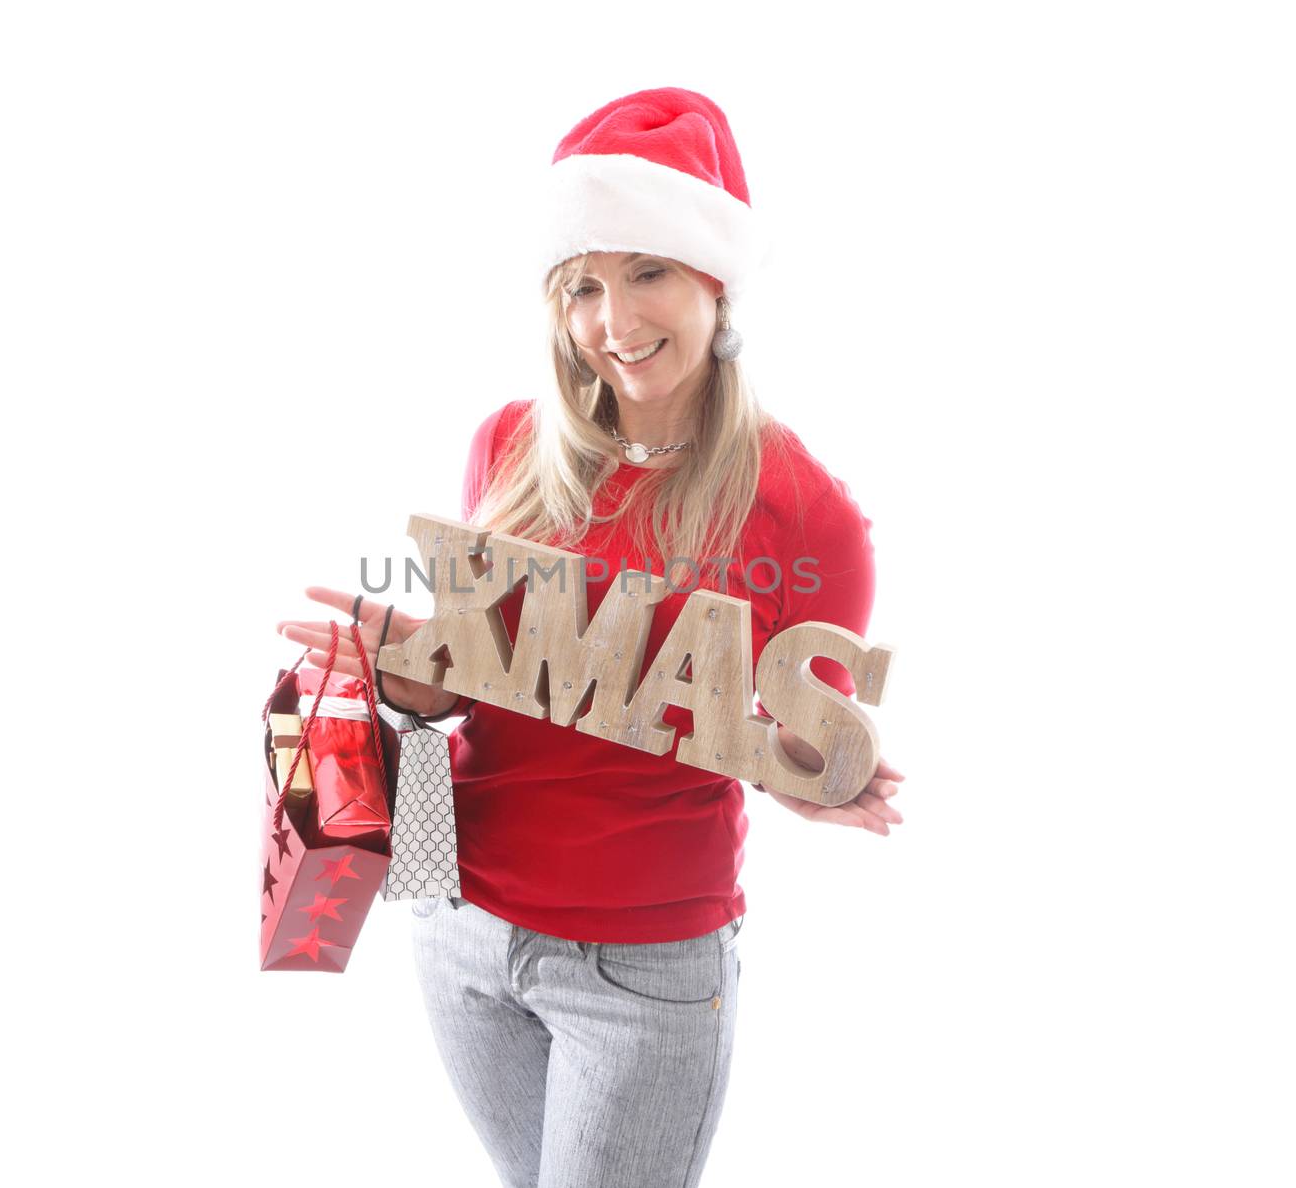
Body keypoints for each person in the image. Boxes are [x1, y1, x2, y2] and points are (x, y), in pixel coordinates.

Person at [275, 87, 905, 1188]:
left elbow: (759, 731)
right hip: (458, 918)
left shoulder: (807, 513)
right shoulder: (510, 445)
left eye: (648, 271)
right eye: (583, 286)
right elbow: (491, 694)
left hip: (644, 961)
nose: (614, 322)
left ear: (715, 279)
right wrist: (415, 677)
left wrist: (808, 773)